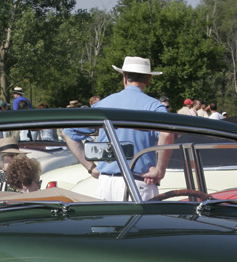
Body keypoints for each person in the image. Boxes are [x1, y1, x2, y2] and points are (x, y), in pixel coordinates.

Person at [62, 56, 175, 201]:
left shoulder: (103, 105)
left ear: (124, 77)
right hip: (139, 182)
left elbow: (68, 133)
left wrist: (91, 167)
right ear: (148, 80)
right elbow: (166, 133)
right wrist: (160, 170)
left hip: (106, 183)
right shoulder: (154, 106)